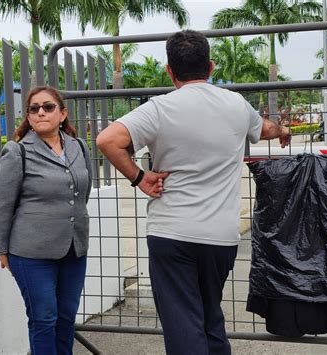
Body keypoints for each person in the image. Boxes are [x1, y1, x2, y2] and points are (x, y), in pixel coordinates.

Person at [96, 30, 290, 355]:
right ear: (211, 66)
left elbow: (107, 140)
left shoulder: (159, 108)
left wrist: (140, 177)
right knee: (209, 317)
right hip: (221, 238)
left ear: (169, 71)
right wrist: (282, 130)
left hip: (172, 234)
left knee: (183, 325)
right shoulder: (236, 105)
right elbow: (265, 129)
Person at [0, 86, 92, 355]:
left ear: (62, 113)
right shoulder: (18, 151)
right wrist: (2, 249)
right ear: (29, 116)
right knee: (44, 319)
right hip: (30, 253)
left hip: (74, 248)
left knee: (66, 318)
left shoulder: (78, 146)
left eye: (48, 107)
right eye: (34, 108)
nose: (41, 112)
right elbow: (0, 206)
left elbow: (83, 192)